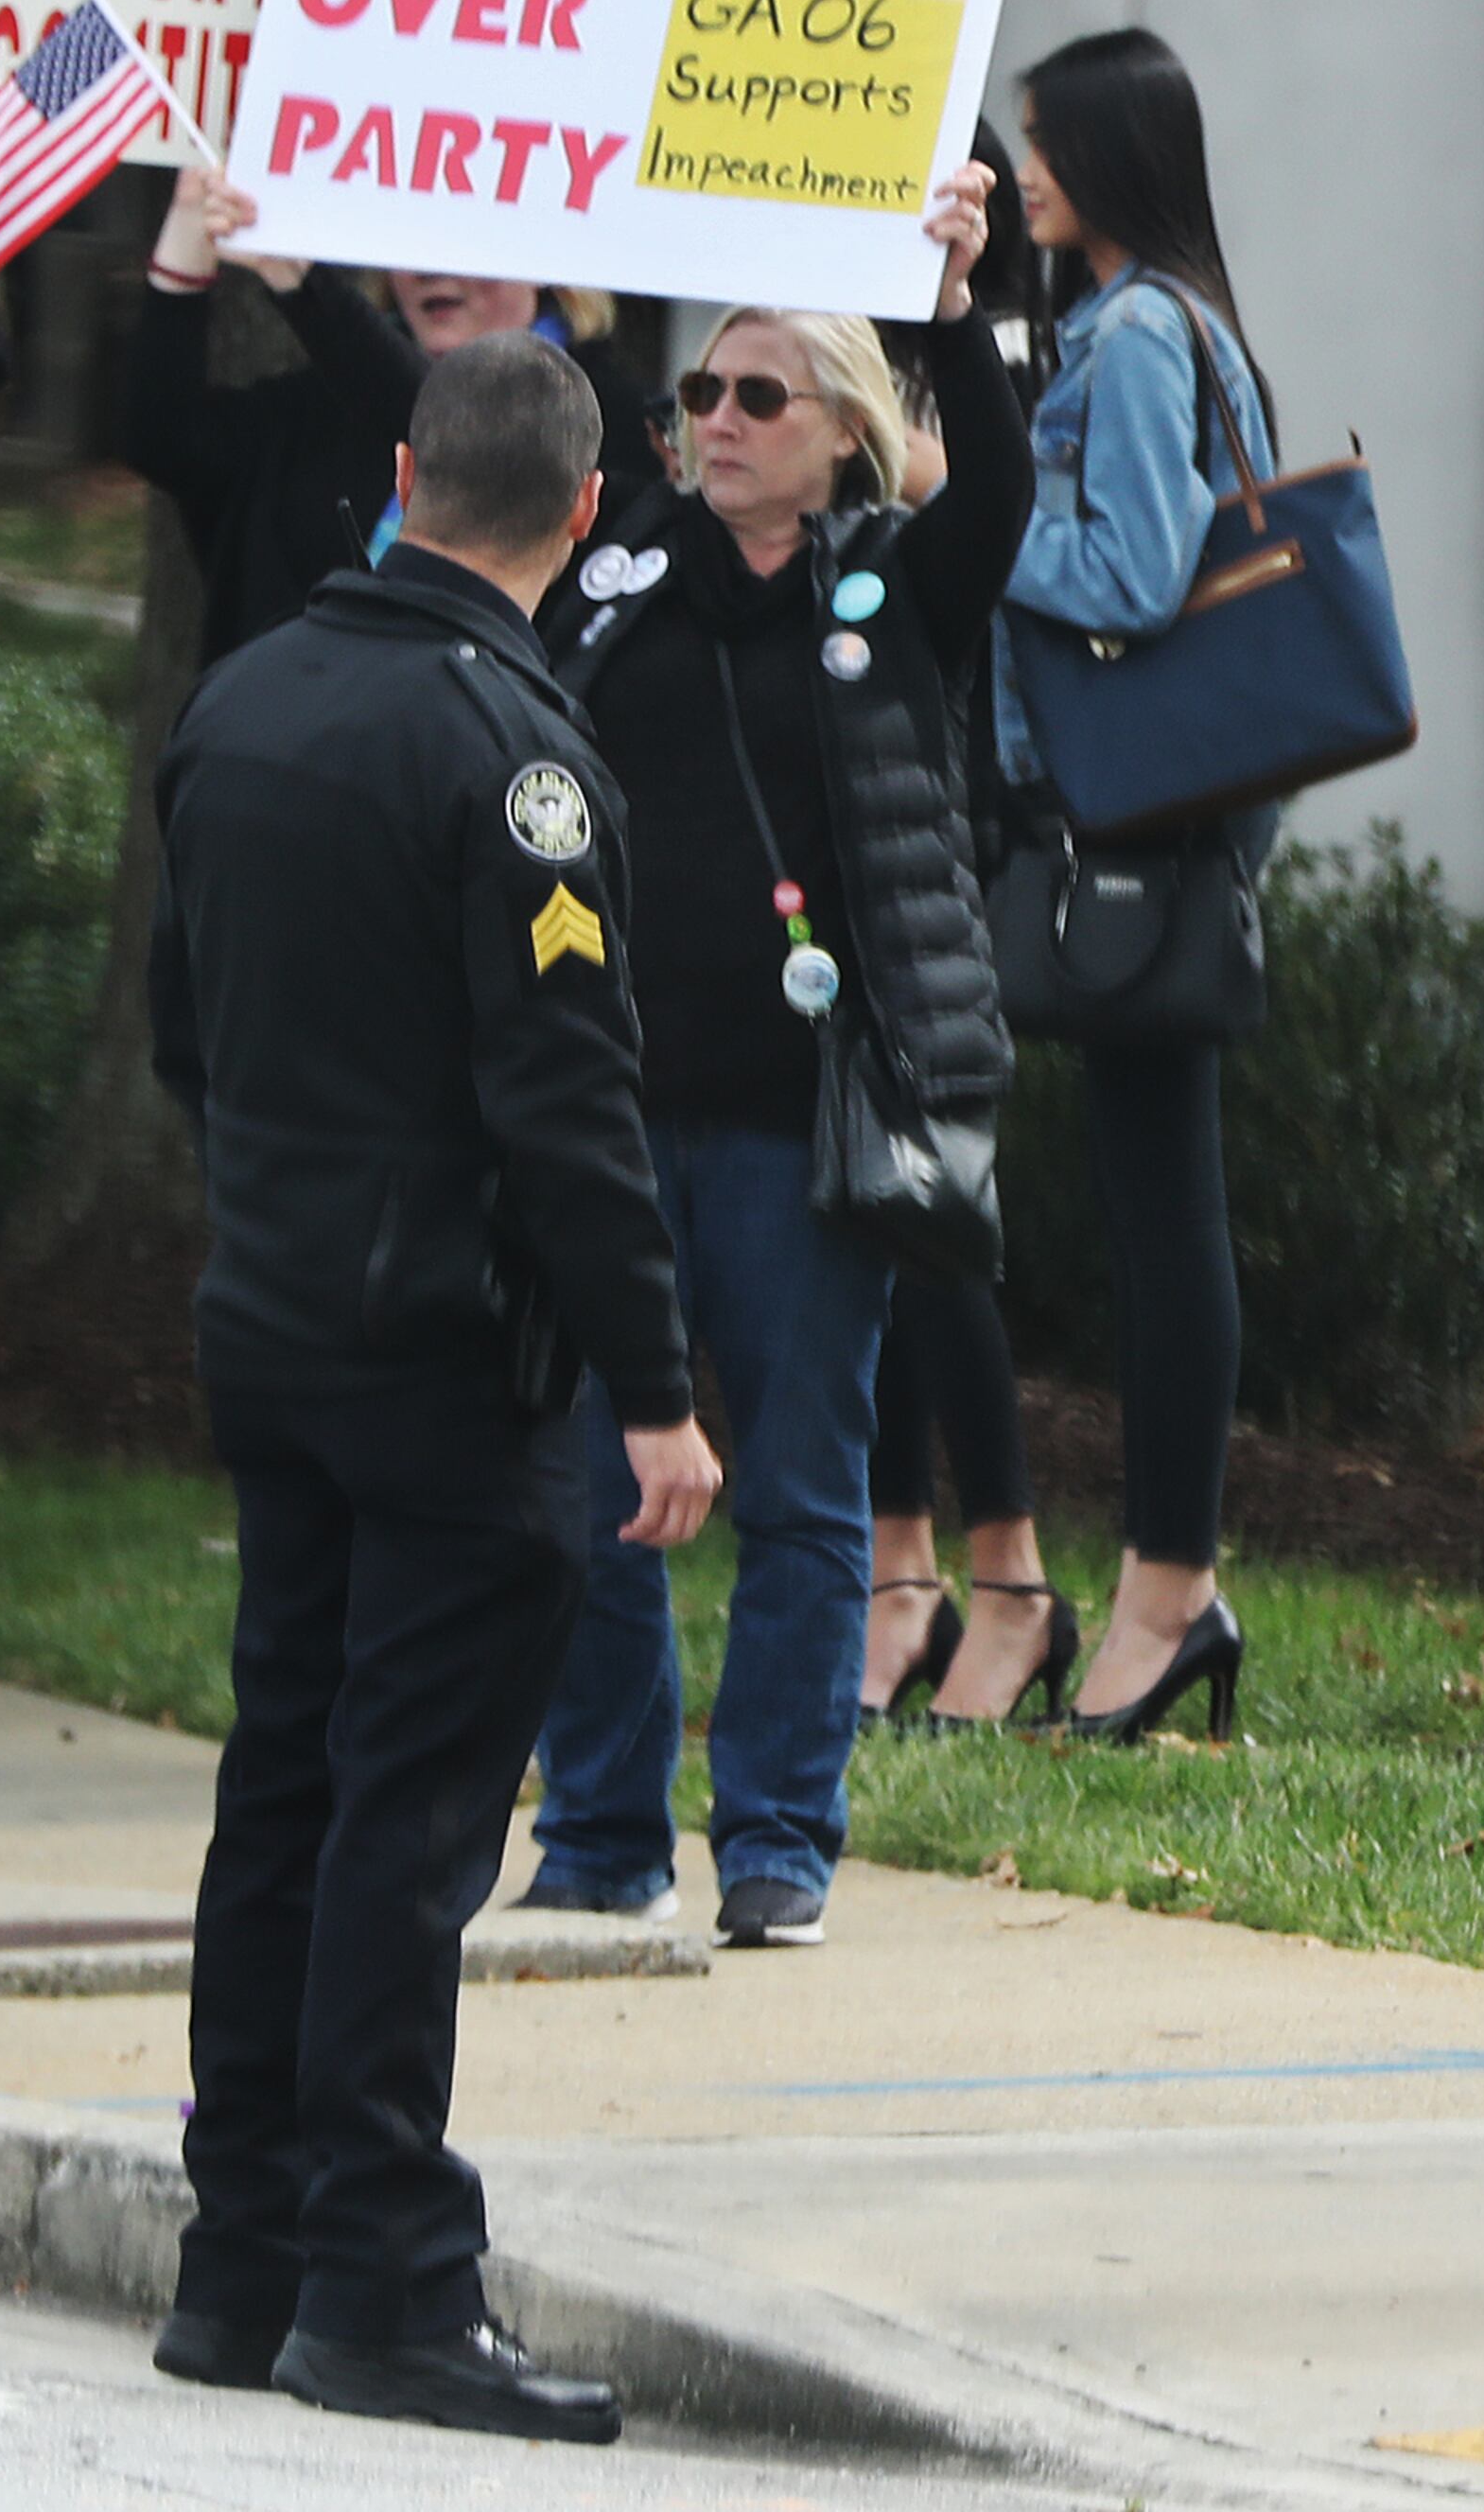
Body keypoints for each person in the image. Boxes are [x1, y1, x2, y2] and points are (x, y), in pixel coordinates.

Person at [146, 331, 724, 2440]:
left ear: (401, 473)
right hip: (437, 1354)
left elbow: (186, 1031)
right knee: (405, 1812)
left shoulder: (248, 695)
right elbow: (572, 1105)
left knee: (284, 1777)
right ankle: (385, 2273)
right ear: (583, 513)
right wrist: (654, 1389)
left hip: (270, 1319)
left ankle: (247, 2250)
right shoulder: (518, 757)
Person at [523, 167, 1030, 1948]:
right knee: (594, 1482)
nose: (718, 425)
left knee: (804, 1493)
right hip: (606, 1106)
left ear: (842, 436)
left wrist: (963, 301)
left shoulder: (894, 593)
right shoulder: (613, 582)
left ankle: (777, 1842)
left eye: (761, 399)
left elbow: (1008, 492)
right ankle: (596, 1828)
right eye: (701, 398)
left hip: (801, 1124)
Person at [989, 27, 1270, 1743]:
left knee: (1167, 1207)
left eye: (1044, 143)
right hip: (1141, 814)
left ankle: (1170, 1588)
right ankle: (1173, 1586)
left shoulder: (1149, 330)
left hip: (1144, 823)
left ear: (1111, 152)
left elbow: (1137, 570)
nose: (1025, 172)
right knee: (1151, 1189)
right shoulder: (1111, 320)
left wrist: (967, 498)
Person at [865, 126, 1066, 1732]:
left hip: (949, 820)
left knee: (932, 1217)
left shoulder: (991, 345)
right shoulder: (806, 341)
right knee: (848, 1215)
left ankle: (1005, 1574)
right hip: (825, 836)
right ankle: (894, 1567)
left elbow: (977, 510)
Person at [124, 160, 660, 665]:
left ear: (545, 258)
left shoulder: (616, 425)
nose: (432, 269)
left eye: (467, 239)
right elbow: (163, 437)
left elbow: (467, 430)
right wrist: (185, 243)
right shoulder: (319, 406)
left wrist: (303, 284)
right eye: (412, 240)